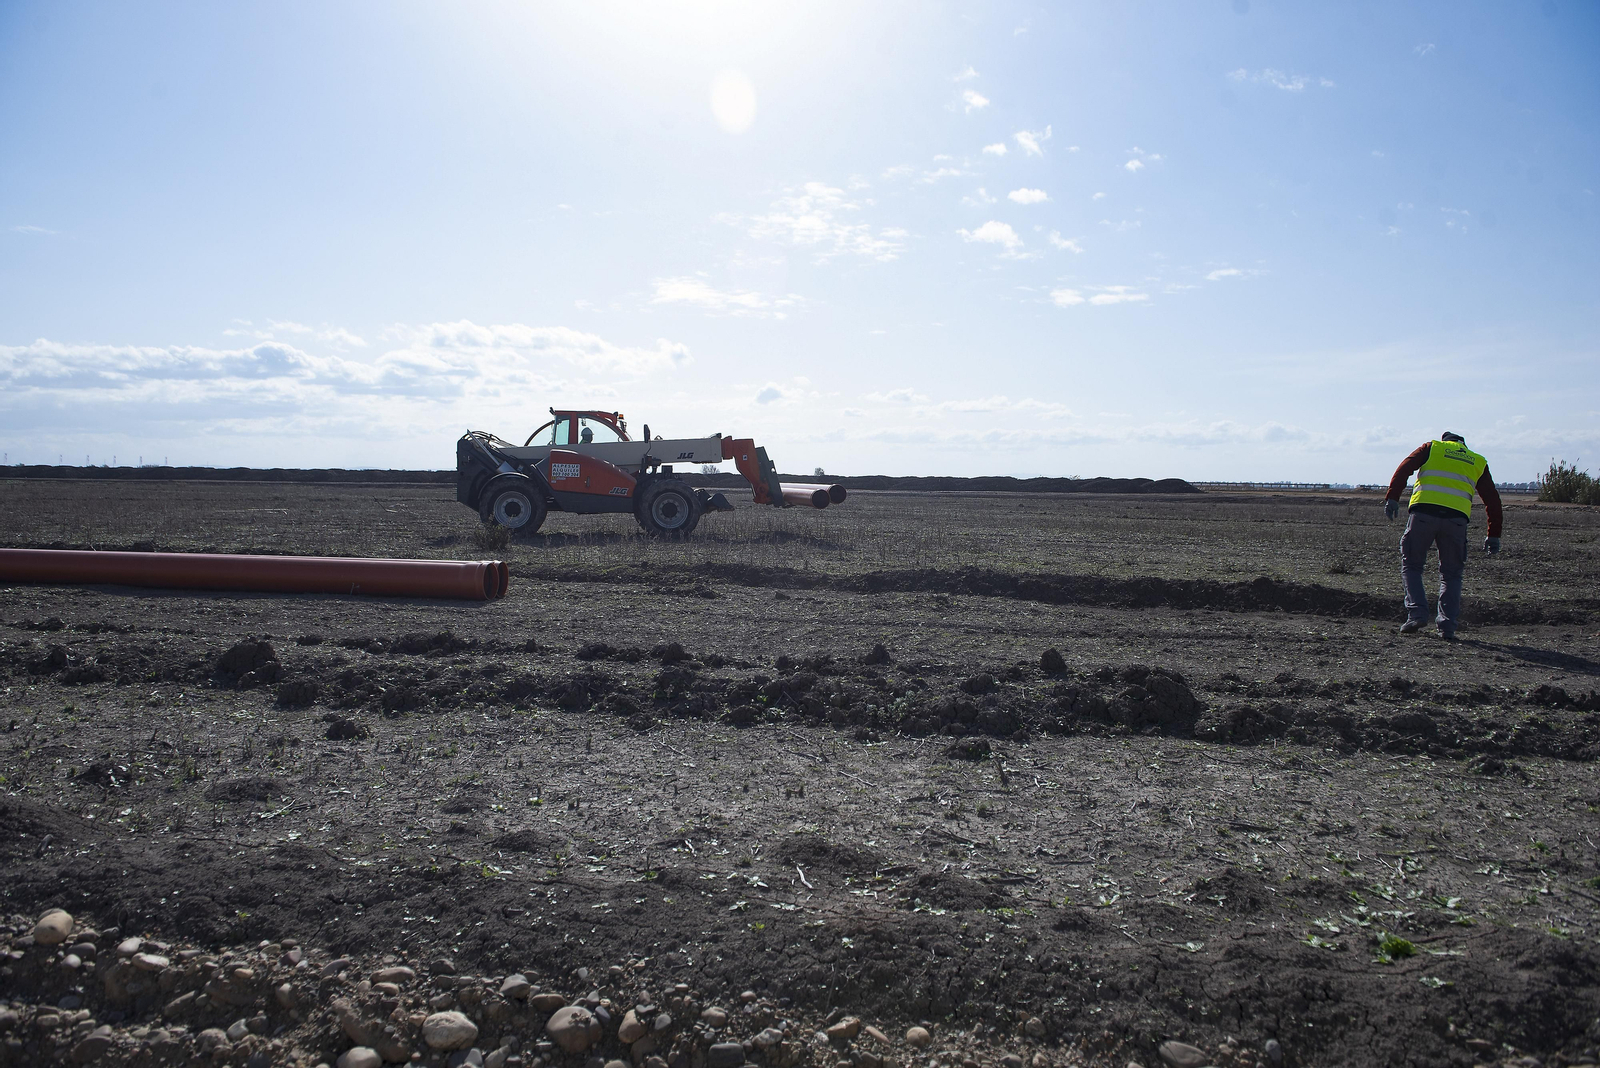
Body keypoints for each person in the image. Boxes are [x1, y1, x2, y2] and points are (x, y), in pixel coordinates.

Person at [1383, 431, 1503, 640]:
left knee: (1412, 565)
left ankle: (1417, 614)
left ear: (1445, 441)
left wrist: (1393, 496)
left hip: (1423, 515)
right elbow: (1493, 501)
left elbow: (1405, 467)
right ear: (1463, 445)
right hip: (1456, 522)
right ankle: (1447, 627)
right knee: (1451, 574)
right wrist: (1494, 534)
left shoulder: (1432, 448)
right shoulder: (1477, 461)